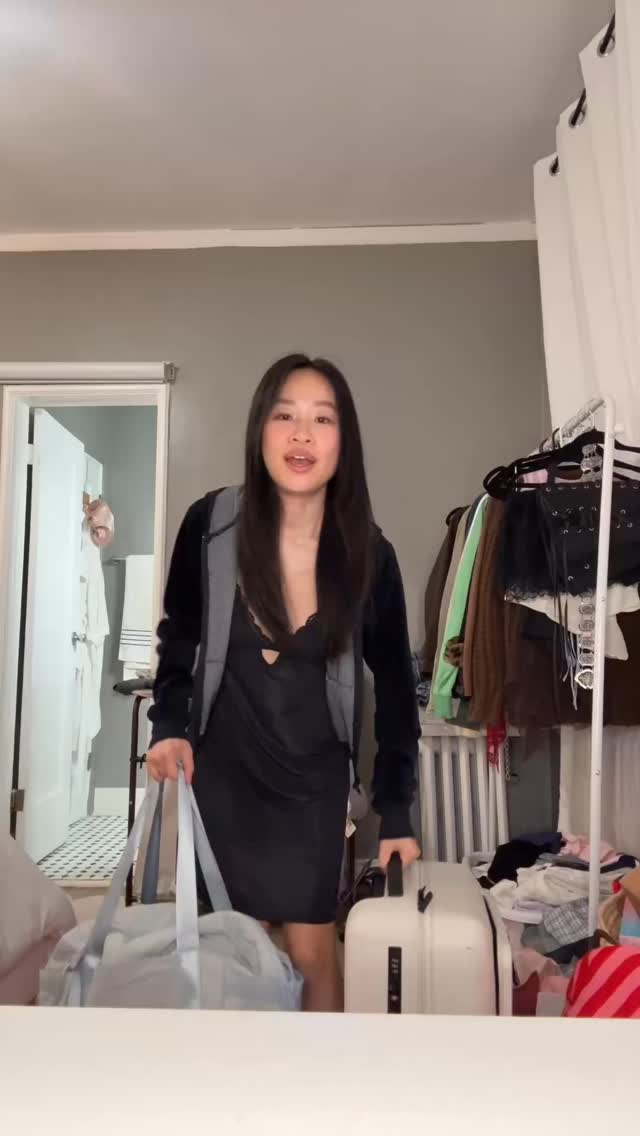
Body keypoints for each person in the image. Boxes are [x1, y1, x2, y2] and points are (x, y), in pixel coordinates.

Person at [146, 353, 420, 1011]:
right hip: (223, 775)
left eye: (322, 420)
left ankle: (320, 1073)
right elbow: (179, 635)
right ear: (259, 430)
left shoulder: (369, 555)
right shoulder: (210, 525)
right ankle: (233, 1071)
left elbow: (395, 688)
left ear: (343, 442)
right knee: (227, 949)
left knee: (311, 950)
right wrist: (168, 725)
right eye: (284, 416)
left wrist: (396, 810)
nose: (302, 435)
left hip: (312, 786)